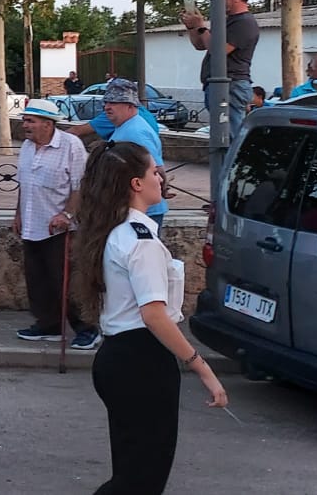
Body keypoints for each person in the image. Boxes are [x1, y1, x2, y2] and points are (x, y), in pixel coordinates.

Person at [73, 141, 226, 494]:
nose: (162, 177)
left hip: (122, 358)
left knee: (133, 474)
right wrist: (202, 368)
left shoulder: (119, 231)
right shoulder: (140, 241)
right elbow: (154, 314)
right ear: (136, 183)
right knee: (142, 480)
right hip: (141, 361)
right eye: (155, 171)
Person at [12, 102, 97, 349]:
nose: (25, 125)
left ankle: (86, 328)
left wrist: (67, 215)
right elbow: (24, 184)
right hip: (32, 222)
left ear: (48, 124)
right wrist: (17, 214)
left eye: (31, 121)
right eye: (25, 120)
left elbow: (80, 186)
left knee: (66, 280)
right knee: (37, 278)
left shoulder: (71, 146)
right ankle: (49, 324)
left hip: (59, 227)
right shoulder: (27, 147)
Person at [181, 0, 260, 128]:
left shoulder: (244, 22)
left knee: (228, 136)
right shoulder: (226, 21)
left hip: (231, 86)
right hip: (220, 86)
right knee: (222, 133)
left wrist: (201, 26)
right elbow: (200, 45)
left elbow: (218, 51)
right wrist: (192, 28)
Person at [98, 79, 166, 229]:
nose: (107, 107)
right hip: (134, 210)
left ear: (130, 106)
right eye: (106, 102)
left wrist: (162, 188)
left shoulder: (136, 132)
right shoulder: (127, 127)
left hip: (143, 213)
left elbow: (155, 169)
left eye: (114, 103)